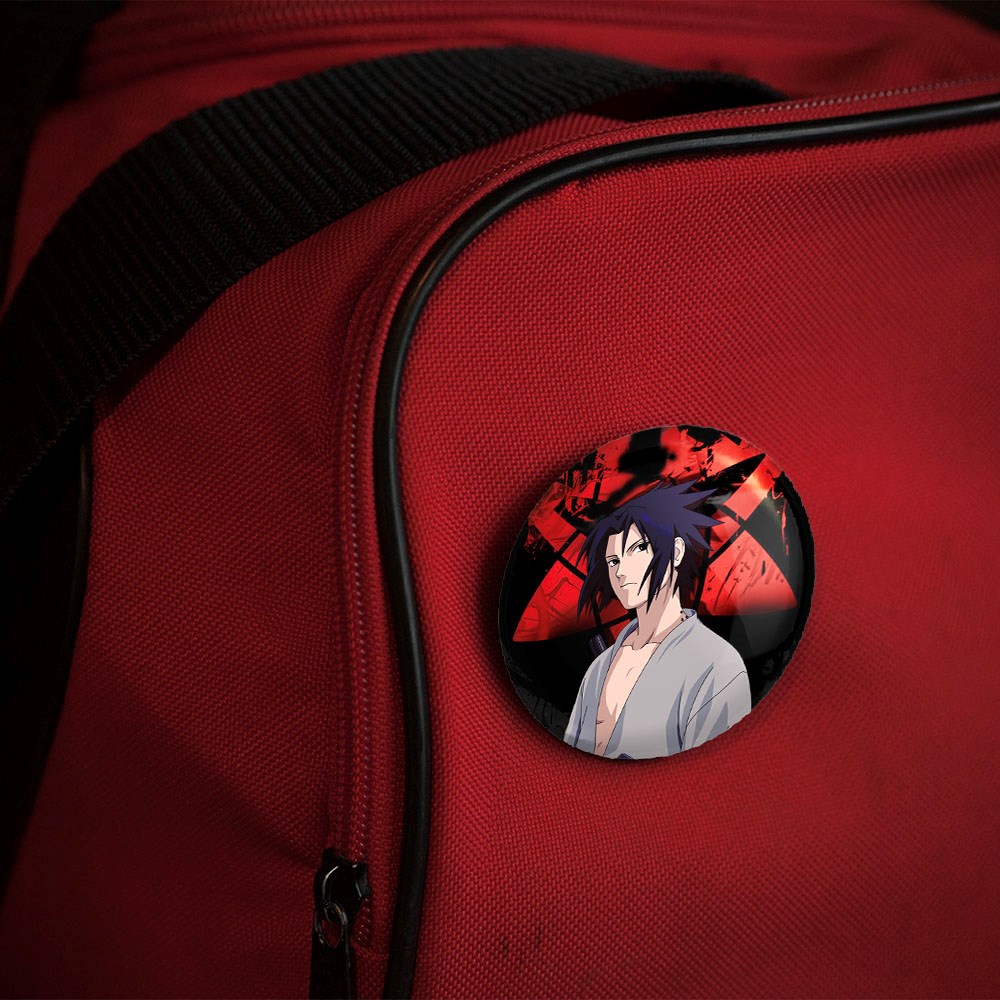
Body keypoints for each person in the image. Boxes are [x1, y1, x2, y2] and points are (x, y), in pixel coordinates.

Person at [563, 480, 750, 759]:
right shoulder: (598, 669)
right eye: (613, 561)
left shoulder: (717, 664)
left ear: (676, 551)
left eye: (637, 549)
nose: (621, 571)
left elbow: (714, 765)